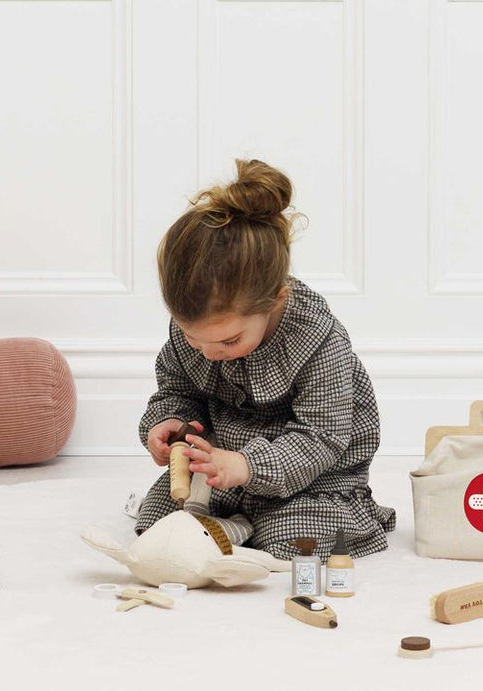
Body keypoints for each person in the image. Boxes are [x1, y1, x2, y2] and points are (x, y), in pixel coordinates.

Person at [136, 158, 395, 560]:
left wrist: (247, 466)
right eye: (192, 337)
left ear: (275, 300)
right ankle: (229, 525)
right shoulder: (201, 334)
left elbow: (321, 438)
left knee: (293, 540)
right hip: (221, 469)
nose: (209, 353)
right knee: (157, 520)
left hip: (311, 481)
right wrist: (170, 423)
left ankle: (240, 530)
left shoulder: (317, 341)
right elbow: (178, 389)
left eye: (229, 341)